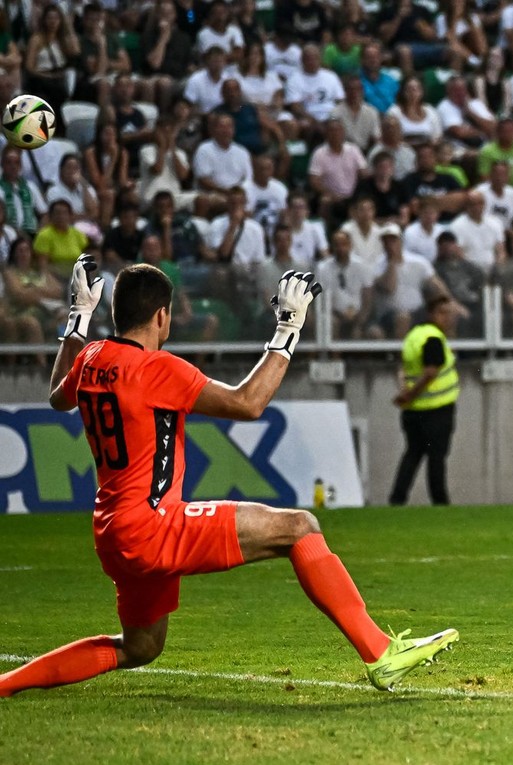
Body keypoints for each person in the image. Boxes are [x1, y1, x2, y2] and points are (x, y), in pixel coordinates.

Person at [0, 260, 458, 698]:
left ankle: (5, 684)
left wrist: (77, 319)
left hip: (111, 532)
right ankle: (380, 652)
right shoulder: (158, 369)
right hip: (154, 527)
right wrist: (287, 331)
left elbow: (58, 397)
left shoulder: (93, 358)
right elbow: (248, 403)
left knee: (141, 647)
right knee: (299, 527)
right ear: (163, 316)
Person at [389, 295, 461, 506]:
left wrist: (404, 392)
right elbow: (430, 373)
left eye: (450, 313)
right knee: (436, 457)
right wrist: (409, 395)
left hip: (413, 411)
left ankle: (397, 499)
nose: (448, 318)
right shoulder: (433, 338)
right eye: (443, 313)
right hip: (436, 409)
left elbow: (403, 368)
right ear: (432, 314)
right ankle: (440, 501)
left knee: (412, 454)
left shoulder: (414, 335)